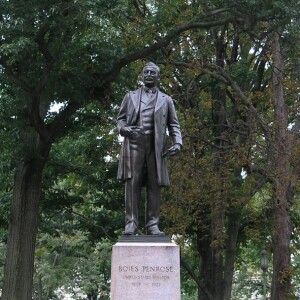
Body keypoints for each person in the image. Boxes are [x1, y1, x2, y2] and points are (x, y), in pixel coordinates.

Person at [117, 62, 182, 235]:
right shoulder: (130, 96)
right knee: (133, 183)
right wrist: (124, 129)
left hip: (156, 146)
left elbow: (174, 124)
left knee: (154, 185)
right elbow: (120, 119)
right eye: (146, 72)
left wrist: (177, 143)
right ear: (142, 75)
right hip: (134, 144)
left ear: (158, 77)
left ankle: (153, 224)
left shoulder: (166, 100)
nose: (149, 74)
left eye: (153, 72)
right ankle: (131, 223)